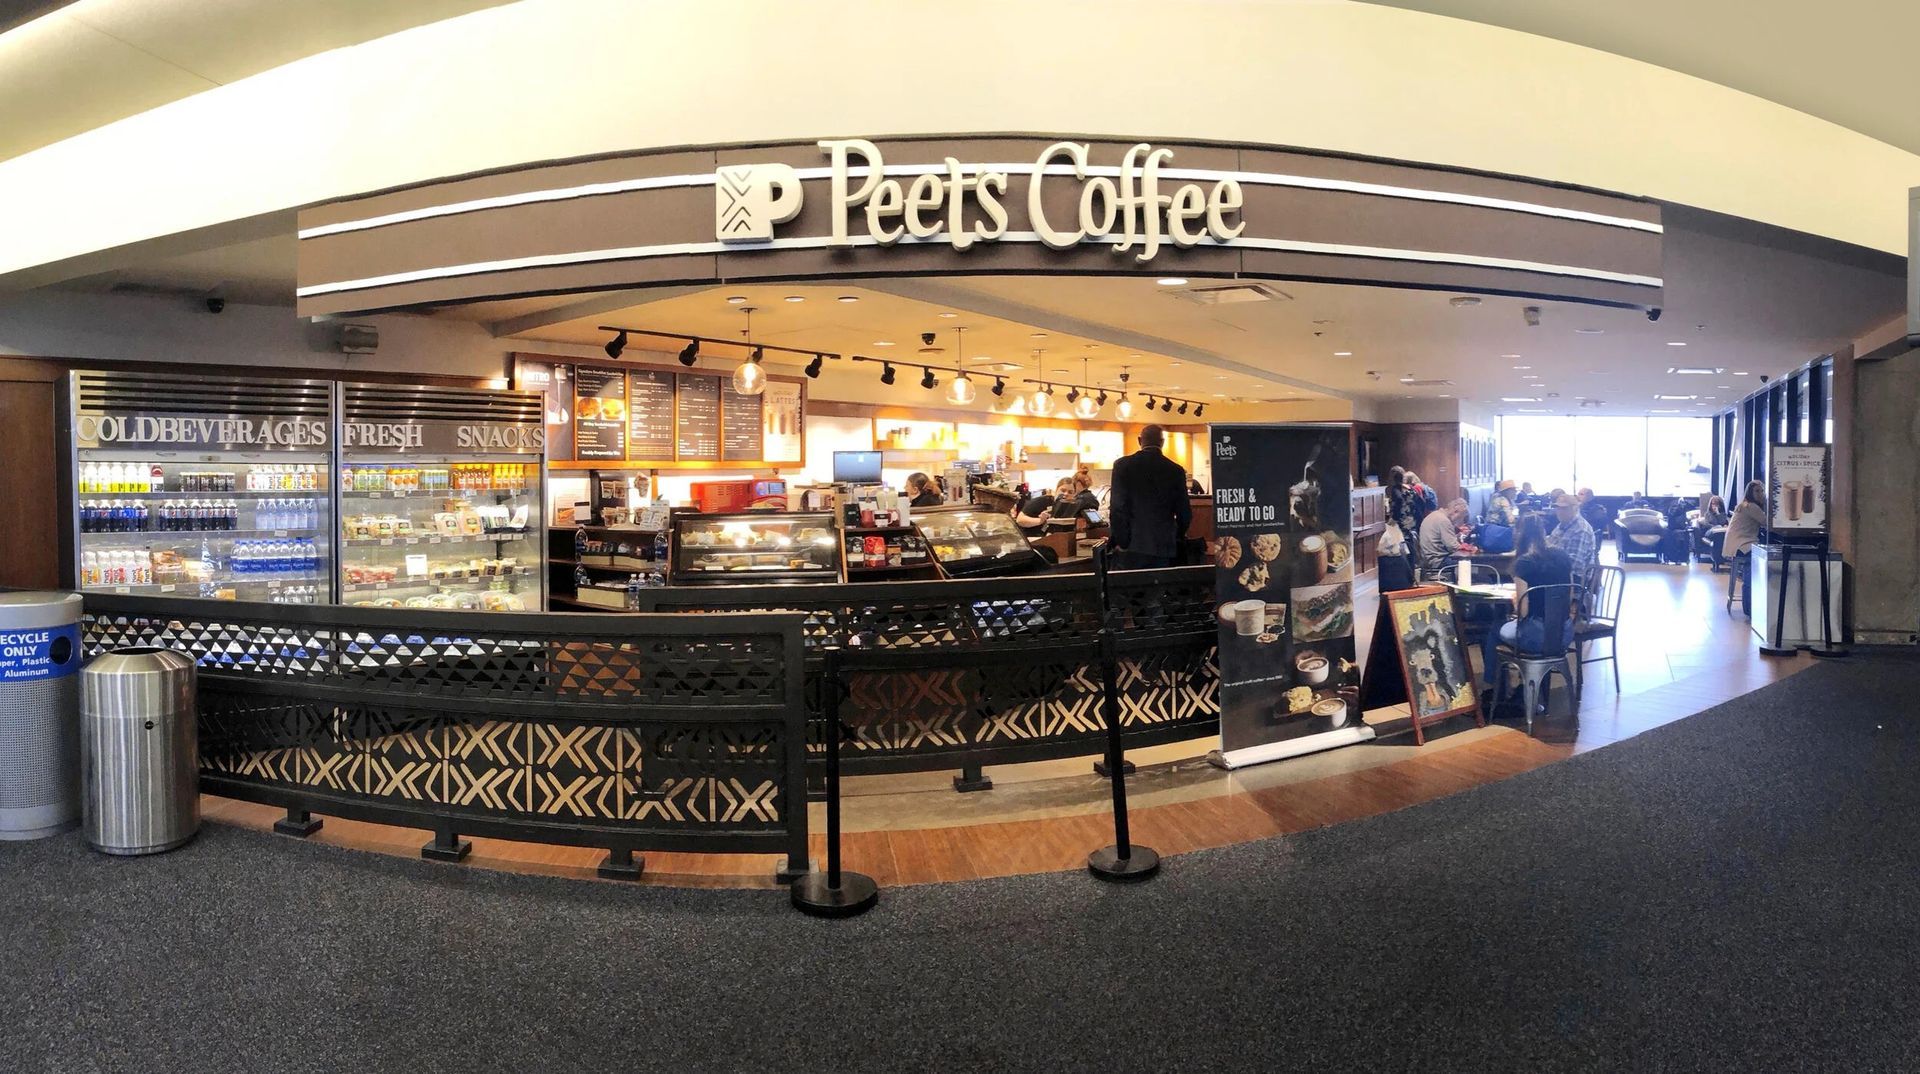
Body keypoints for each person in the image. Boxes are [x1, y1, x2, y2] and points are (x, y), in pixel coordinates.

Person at [1481, 515, 1574, 696]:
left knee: (1494, 630)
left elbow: (1523, 612)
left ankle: (1492, 688)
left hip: (1535, 636)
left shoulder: (1524, 563)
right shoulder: (1562, 556)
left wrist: (1516, 605)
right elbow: (1569, 597)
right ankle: (1532, 688)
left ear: (1519, 535)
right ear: (1544, 531)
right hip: (1563, 633)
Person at [1109, 424, 1193, 569]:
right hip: (1163, 545)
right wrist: (1175, 536)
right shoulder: (1175, 470)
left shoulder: (1122, 466)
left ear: (1139, 440)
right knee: (1159, 589)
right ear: (1162, 442)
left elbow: (1118, 509)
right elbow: (1184, 513)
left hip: (1132, 545)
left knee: (1129, 588)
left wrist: (1121, 541)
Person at [1722, 480, 1767, 615]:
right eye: (1757, 491)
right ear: (1750, 493)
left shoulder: (1744, 505)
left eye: (1762, 491)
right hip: (1743, 544)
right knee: (1760, 560)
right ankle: (1750, 607)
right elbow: (1767, 522)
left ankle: (1749, 605)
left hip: (1735, 544)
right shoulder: (1751, 507)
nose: (1760, 494)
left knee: (1755, 560)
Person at [1546, 492, 1597, 584]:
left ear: (1575, 508)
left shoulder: (1580, 530)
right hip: (1558, 574)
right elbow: (1548, 546)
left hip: (1572, 583)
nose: (1560, 511)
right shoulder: (1563, 525)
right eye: (1558, 508)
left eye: (1564, 508)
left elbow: (1573, 566)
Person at [1418, 497, 1470, 577]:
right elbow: (1453, 547)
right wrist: (1469, 548)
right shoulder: (1444, 521)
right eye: (1461, 517)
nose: (1460, 520)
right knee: (1469, 564)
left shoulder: (1435, 515)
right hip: (1438, 561)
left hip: (1428, 558)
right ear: (1455, 511)